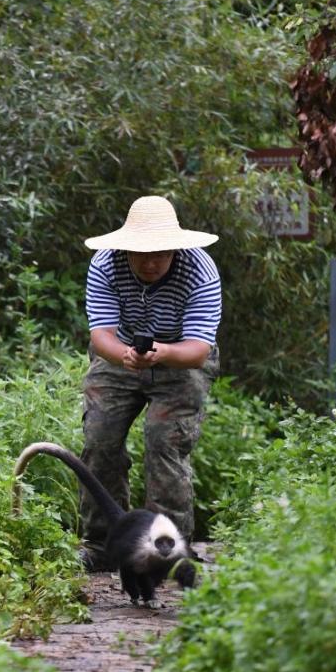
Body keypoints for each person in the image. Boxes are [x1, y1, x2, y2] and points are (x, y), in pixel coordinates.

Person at [78, 195, 222, 571]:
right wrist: (125, 355)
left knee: (164, 443)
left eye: (160, 253)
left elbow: (197, 351)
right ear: (125, 248)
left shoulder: (200, 272)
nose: (150, 262)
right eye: (141, 253)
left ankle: (168, 550)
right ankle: (102, 543)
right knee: (100, 439)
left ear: (176, 248)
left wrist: (159, 353)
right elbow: (101, 335)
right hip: (119, 354)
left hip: (181, 360)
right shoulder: (105, 263)